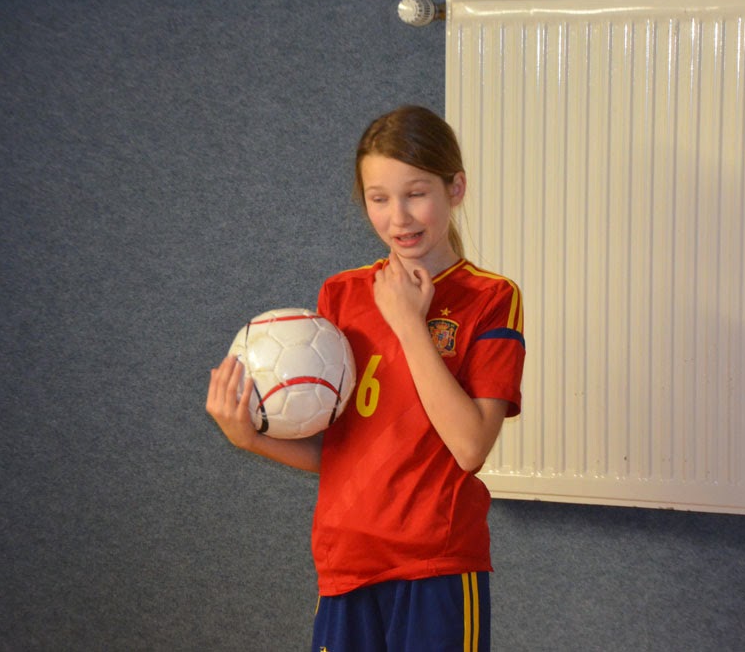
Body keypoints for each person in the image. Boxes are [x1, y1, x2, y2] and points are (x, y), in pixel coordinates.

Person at [206, 105, 525, 651]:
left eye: (416, 193)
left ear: (455, 189)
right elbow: (341, 452)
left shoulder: (490, 297)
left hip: (437, 564)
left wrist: (408, 324)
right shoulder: (342, 294)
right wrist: (249, 438)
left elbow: (471, 447)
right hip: (346, 563)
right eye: (379, 199)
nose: (399, 217)